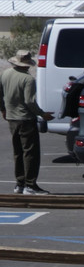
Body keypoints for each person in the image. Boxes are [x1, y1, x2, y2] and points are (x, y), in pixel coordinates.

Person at [1, 49, 54, 194]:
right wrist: (43, 114)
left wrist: (3, 109)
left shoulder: (5, 74)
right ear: (28, 63)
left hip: (12, 118)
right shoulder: (28, 79)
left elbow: (0, 94)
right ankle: (30, 185)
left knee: (17, 152)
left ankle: (20, 183)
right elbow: (30, 102)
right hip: (25, 119)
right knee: (30, 153)